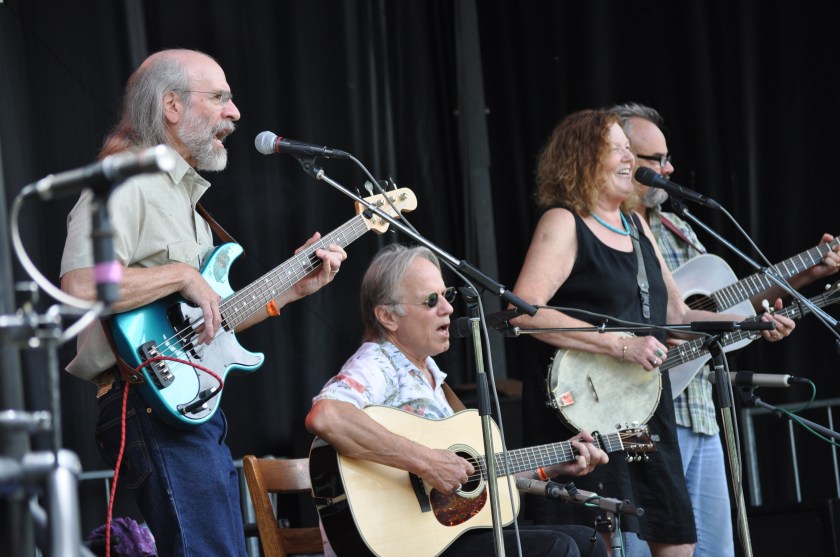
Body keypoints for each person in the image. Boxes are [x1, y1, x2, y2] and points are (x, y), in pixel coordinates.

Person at [59, 49, 347, 557]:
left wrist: (295, 288)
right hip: (146, 401)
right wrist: (179, 274)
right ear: (171, 105)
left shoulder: (185, 203)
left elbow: (213, 320)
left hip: (188, 405)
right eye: (219, 98)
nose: (235, 113)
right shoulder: (124, 181)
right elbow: (80, 285)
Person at [507, 109, 796, 557]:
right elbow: (523, 313)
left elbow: (677, 315)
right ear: (583, 157)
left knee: (675, 535)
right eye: (617, 148)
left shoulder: (638, 226)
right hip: (585, 411)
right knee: (598, 536)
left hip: (644, 411)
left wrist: (752, 323)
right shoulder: (564, 222)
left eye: (629, 148)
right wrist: (619, 343)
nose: (629, 158)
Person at [609, 101, 840, 556]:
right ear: (619, 156)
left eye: (667, 157)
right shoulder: (606, 232)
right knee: (640, 546)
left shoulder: (678, 228)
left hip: (698, 407)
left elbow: (724, 304)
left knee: (716, 549)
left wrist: (806, 274)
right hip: (636, 410)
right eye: (656, 159)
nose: (669, 168)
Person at [305, 243, 610, 557]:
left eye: (446, 296)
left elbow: (475, 478)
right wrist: (426, 462)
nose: (448, 309)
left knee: (589, 543)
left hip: (446, 537)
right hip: (405, 547)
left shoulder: (431, 375)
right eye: (431, 300)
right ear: (387, 316)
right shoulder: (378, 362)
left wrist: (552, 465)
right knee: (557, 549)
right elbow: (326, 416)